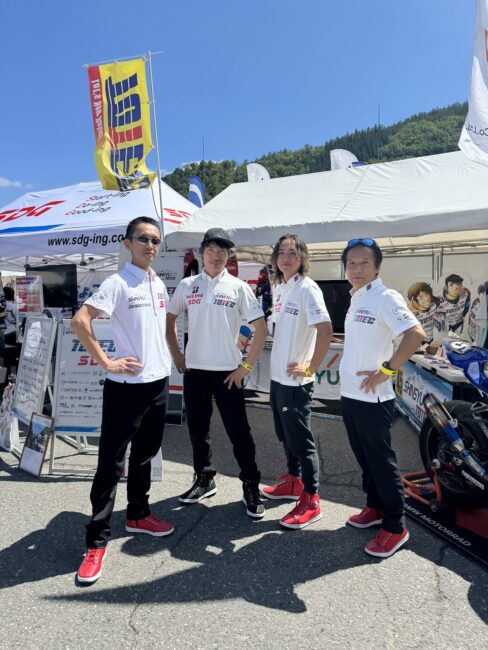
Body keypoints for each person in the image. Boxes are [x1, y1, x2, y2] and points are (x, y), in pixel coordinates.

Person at [71, 216, 174, 585]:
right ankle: (96, 541)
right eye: (143, 239)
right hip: (125, 387)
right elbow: (80, 321)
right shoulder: (117, 282)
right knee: (111, 464)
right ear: (129, 243)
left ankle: (138, 514)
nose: (150, 245)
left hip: (157, 382)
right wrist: (107, 362)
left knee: (145, 455)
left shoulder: (157, 283)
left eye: (155, 240)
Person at [166, 228, 267, 518]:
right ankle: (204, 479)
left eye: (222, 251)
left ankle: (251, 485)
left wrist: (246, 366)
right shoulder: (187, 285)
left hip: (228, 374)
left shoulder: (239, 287)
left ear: (228, 256)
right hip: (195, 371)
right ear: (201, 253)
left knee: (240, 434)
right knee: (198, 432)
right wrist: (177, 354)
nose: (216, 255)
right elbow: (169, 318)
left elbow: (260, 329)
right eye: (211, 249)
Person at [340, 238, 425, 558]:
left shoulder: (385, 297)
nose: (357, 268)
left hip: (374, 399)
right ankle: (375, 508)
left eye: (364, 262)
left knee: (380, 461)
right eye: (351, 263)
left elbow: (415, 335)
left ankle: (395, 525)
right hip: (351, 394)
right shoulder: (357, 297)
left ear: (377, 267)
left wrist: (387, 370)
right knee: (365, 458)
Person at [261, 234, 333, 529]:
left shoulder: (308, 288)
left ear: (303, 257)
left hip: (295, 383)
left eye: (292, 253)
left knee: (301, 442)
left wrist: (310, 367)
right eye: (281, 253)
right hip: (278, 378)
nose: (286, 258)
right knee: (285, 435)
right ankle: (293, 481)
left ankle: (311, 498)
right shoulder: (280, 288)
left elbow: (326, 330)